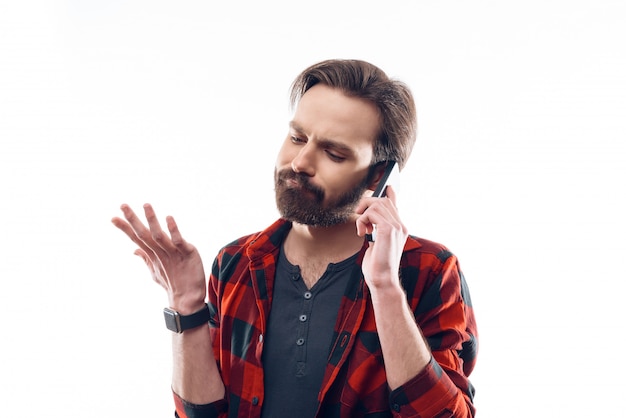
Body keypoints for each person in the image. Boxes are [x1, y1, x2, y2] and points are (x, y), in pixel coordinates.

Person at [112, 59, 478, 418]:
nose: (300, 161)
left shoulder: (429, 270)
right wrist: (186, 306)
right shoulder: (236, 262)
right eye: (297, 137)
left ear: (378, 175)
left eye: (333, 153)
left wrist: (385, 288)